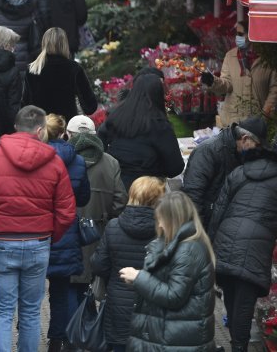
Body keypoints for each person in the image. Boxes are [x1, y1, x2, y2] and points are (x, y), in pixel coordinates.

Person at [0, 105, 76, 352]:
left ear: (15, 127)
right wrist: (50, 236)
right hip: (38, 242)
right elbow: (66, 210)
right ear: (41, 130)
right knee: (30, 312)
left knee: (3, 312)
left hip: (1, 241)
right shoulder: (55, 163)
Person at [209, 118, 276, 352]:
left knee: (231, 298)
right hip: (255, 250)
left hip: (226, 246)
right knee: (244, 308)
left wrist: (210, 245)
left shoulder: (238, 173)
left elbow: (218, 212)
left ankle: (237, 344)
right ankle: (239, 347)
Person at [120, 192, 216, 351]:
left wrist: (139, 278)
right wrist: (137, 280)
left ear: (174, 219)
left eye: (161, 219)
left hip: (177, 339)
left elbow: (174, 296)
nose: (160, 226)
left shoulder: (188, 250)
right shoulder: (183, 243)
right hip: (172, 335)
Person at [91, 176, 165, 352]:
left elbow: (100, 265)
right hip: (153, 305)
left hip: (118, 304)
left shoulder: (114, 226)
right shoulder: (165, 230)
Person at [43, 114, 90, 352]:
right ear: (64, 134)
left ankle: (27, 331)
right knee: (60, 290)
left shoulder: (36, 159)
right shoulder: (78, 161)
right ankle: (57, 339)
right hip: (65, 231)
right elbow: (83, 197)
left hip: (37, 229)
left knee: (28, 289)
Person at [66, 115, 127, 297]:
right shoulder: (111, 163)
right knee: (94, 292)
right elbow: (120, 201)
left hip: (67, 235)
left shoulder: (62, 160)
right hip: (97, 235)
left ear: (68, 135)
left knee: (68, 292)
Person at [98, 73, 184, 190]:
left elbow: (100, 142)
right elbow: (175, 168)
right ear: (158, 95)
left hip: (114, 185)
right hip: (146, 190)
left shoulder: (117, 114)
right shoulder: (160, 125)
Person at [182, 117, 260, 227]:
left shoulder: (239, 153)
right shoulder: (208, 151)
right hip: (205, 223)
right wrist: (198, 231)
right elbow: (193, 194)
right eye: (257, 145)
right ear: (245, 139)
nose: (257, 150)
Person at [202, 20, 277, 126]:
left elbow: (274, 90)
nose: (237, 37)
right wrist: (212, 81)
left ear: (252, 35)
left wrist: (265, 116)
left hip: (259, 121)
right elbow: (227, 84)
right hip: (233, 121)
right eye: (236, 34)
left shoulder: (267, 59)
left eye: (241, 34)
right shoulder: (230, 56)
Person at [23, 27, 97, 122]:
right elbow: (90, 107)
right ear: (65, 44)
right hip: (66, 127)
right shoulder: (74, 68)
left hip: (40, 128)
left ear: (44, 43)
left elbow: (26, 106)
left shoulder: (33, 69)